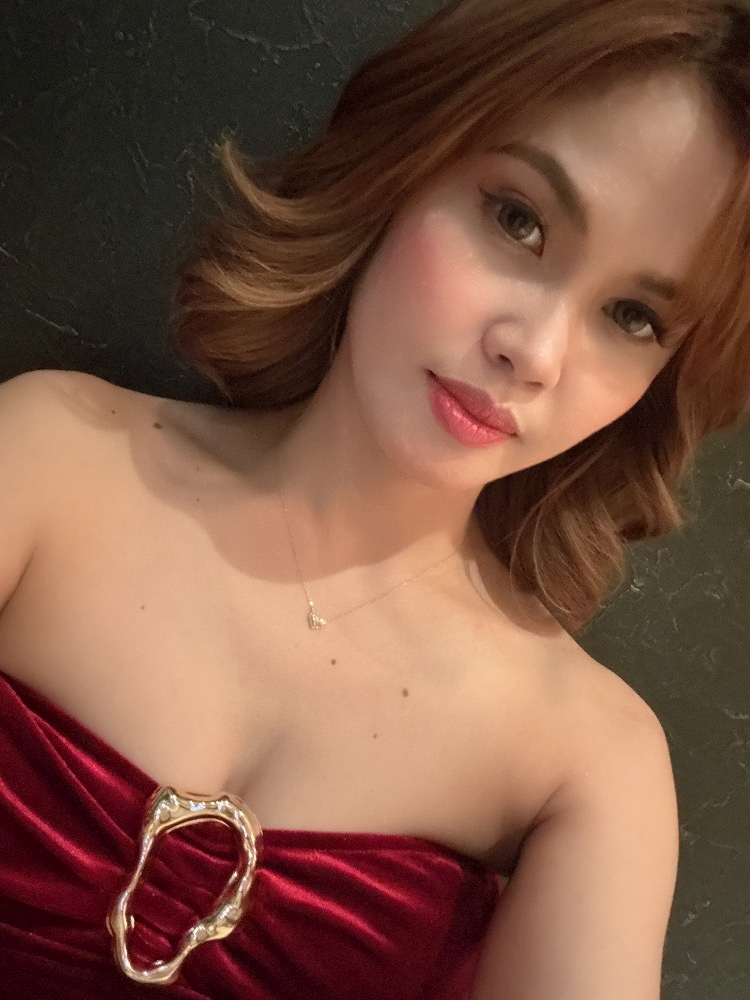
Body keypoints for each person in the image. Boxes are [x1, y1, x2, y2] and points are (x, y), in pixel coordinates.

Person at [1, 0, 749, 996]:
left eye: (632, 315)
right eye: (518, 219)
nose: (534, 351)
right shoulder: (48, 456)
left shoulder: (588, 765)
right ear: (406, 162)